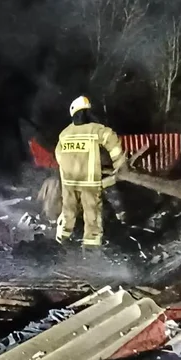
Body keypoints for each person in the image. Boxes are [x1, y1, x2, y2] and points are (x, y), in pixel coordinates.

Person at [54, 95, 125, 247]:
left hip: (69, 181)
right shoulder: (95, 129)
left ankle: (61, 242)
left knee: (68, 212)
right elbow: (112, 140)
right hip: (89, 181)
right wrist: (120, 164)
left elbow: (59, 155)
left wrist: (68, 168)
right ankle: (91, 248)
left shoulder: (64, 134)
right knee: (92, 215)